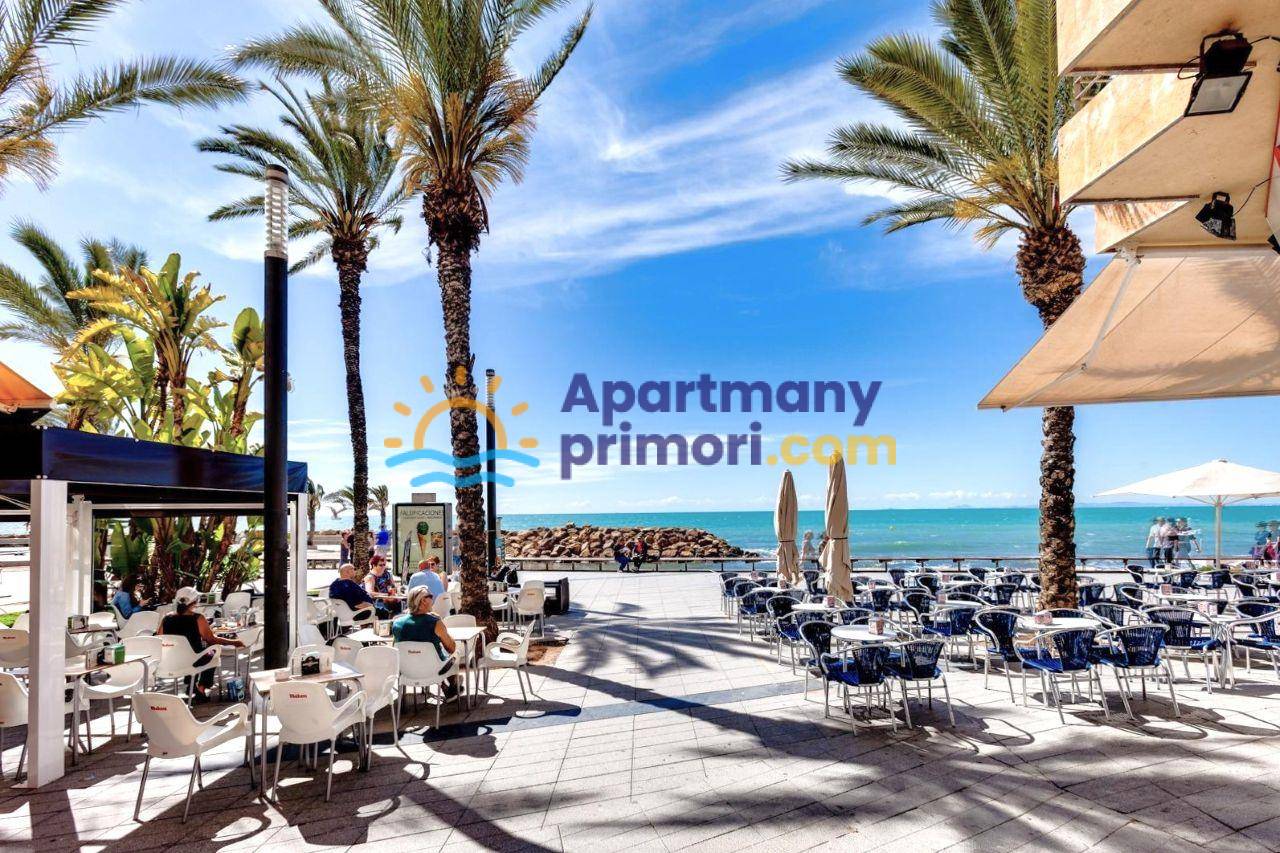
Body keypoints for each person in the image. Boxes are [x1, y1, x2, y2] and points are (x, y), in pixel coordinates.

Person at [160, 591, 243, 702]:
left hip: (171, 661)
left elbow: (159, 638)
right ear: (194, 603)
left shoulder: (166, 618)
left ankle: (191, 684)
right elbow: (211, 640)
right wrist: (234, 642)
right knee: (213, 651)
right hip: (193, 661)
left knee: (194, 652)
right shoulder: (198, 618)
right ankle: (201, 688)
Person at [392, 586, 459, 698]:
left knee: (427, 656)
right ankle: (452, 686)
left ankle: (446, 686)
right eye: (430, 596)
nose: (433, 599)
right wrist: (440, 621)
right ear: (423, 600)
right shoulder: (435, 622)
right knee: (453, 656)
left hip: (406, 671)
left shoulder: (397, 623)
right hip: (433, 671)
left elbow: (394, 649)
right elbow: (452, 648)